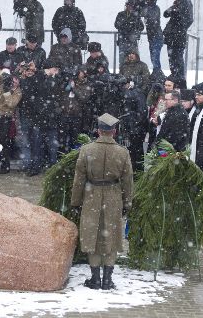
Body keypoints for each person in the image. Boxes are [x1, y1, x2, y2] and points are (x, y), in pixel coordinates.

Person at [70, 113, 133, 290]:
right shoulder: (123, 152)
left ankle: (95, 279)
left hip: (92, 195)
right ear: (114, 131)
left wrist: (75, 202)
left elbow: (79, 179)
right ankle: (107, 279)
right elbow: (128, 181)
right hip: (113, 196)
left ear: (98, 130)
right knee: (111, 236)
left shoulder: (86, 150)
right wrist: (127, 203)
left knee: (93, 235)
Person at [0, 69, 23, 174]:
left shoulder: (18, 91)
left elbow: (12, 104)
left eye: (16, 80)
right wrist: (3, 74)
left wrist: (8, 91)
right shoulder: (3, 82)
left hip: (5, 118)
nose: (14, 81)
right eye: (13, 79)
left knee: (4, 142)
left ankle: (5, 165)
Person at [163, 0, 194, 82]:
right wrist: (172, 9)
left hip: (178, 38)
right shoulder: (175, 6)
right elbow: (165, 14)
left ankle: (179, 77)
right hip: (171, 38)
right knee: (171, 58)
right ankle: (174, 74)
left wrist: (177, 14)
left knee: (178, 58)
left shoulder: (186, 8)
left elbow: (187, 21)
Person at [59, 65, 92, 153]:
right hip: (64, 114)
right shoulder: (70, 81)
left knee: (74, 138)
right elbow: (60, 94)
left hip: (76, 115)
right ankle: (61, 156)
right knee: (62, 138)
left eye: (81, 72)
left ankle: (73, 156)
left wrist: (74, 88)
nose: (79, 74)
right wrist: (67, 84)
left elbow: (84, 98)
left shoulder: (86, 85)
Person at [114, 0, 144, 67]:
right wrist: (128, 25)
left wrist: (133, 26)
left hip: (132, 41)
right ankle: (122, 73)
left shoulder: (136, 15)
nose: (129, 7)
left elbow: (141, 27)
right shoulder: (121, 14)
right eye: (128, 5)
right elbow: (116, 25)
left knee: (134, 58)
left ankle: (134, 73)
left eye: (131, 5)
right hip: (123, 40)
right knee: (122, 59)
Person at [141, 0, 164, 75]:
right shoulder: (149, 7)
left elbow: (149, 16)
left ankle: (157, 73)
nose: (147, 0)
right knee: (153, 57)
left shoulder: (155, 8)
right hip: (152, 37)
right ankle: (156, 72)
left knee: (155, 57)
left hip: (157, 37)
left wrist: (144, 4)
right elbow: (142, 13)